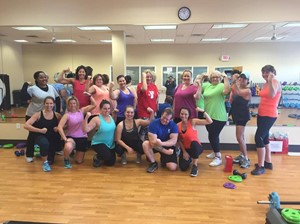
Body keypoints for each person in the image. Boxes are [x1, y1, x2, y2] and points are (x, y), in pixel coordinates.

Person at [251, 65, 281, 175]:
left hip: (270, 115)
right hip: (261, 114)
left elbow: (272, 95)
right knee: (265, 138)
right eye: (263, 72)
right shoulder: (265, 84)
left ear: (273, 72)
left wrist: (270, 80)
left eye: (267, 72)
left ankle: (261, 166)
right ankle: (268, 162)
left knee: (258, 137)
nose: (264, 74)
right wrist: (267, 81)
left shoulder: (275, 82)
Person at [24, 71, 60, 163]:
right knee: (32, 135)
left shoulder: (51, 87)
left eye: (45, 77)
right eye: (41, 77)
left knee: (50, 133)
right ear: (36, 79)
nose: (44, 79)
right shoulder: (32, 88)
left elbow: (57, 98)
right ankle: (29, 155)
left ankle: (48, 152)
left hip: (47, 114)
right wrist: (25, 84)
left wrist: (58, 112)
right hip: (33, 114)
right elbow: (23, 96)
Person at [23, 96, 61, 172]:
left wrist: (58, 128)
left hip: (52, 138)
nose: (49, 105)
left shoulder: (57, 115)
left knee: (51, 161)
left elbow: (64, 125)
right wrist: (40, 130)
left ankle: (45, 156)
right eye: (47, 103)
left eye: (51, 103)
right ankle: (45, 162)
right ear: (44, 104)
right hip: (40, 136)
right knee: (44, 143)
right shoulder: (38, 114)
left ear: (53, 104)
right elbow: (26, 125)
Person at [201, 71, 231, 167]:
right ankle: (215, 152)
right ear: (210, 78)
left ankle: (218, 157)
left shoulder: (222, 85)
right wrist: (201, 77)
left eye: (217, 77)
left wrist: (225, 77)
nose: (215, 79)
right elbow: (196, 88)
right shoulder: (207, 86)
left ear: (220, 78)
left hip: (219, 116)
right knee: (212, 135)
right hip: (208, 115)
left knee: (213, 136)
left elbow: (227, 91)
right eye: (213, 77)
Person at [57, 96, 96, 168]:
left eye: (74, 103)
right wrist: (65, 139)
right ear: (68, 105)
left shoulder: (81, 111)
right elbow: (59, 127)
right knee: (68, 146)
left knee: (79, 161)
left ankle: (74, 152)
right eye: (70, 103)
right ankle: (66, 159)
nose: (72, 105)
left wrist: (90, 96)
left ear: (77, 104)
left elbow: (94, 105)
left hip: (82, 137)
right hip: (71, 137)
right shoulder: (67, 115)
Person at [177, 107, 213, 177]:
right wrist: (184, 152)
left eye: (185, 114)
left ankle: (195, 166)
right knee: (183, 167)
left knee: (193, 143)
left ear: (188, 115)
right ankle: (190, 158)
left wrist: (203, 111)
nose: (183, 116)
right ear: (179, 114)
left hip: (196, 147)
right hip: (186, 149)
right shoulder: (178, 125)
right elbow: (179, 140)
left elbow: (210, 121)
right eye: (182, 114)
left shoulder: (193, 121)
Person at [143, 107, 178, 173]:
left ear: (171, 119)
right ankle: (153, 163)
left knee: (172, 167)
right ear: (161, 114)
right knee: (145, 144)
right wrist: (165, 151)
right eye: (163, 117)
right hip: (155, 144)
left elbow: (173, 141)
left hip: (166, 144)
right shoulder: (153, 123)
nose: (164, 120)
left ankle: (164, 159)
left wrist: (162, 143)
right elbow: (153, 142)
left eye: (167, 119)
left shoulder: (173, 125)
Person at [83, 100, 116, 167]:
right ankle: (97, 157)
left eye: (108, 108)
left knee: (110, 163)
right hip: (98, 143)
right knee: (106, 155)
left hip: (109, 144)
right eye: (105, 108)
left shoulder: (111, 117)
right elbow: (85, 130)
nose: (107, 110)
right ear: (100, 109)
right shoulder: (96, 119)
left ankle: (104, 155)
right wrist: (86, 118)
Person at [230, 72, 252, 168]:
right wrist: (234, 85)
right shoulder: (237, 88)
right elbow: (230, 99)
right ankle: (242, 155)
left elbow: (238, 93)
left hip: (242, 115)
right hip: (236, 115)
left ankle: (246, 158)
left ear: (248, 81)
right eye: (241, 78)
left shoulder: (248, 90)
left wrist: (235, 81)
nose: (242, 80)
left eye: (244, 78)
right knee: (240, 137)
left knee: (239, 137)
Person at [137, 70, 159, 140]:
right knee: (144, 130)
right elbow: (144, 89)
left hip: (152, 113)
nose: (148, 78)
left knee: (151, 131)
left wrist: (156, 109)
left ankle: (148, 147)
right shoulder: (140, 85)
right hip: (144, 112)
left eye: (150, 77)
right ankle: (141, 147)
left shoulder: (154, 86)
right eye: (147, 77)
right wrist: (143, 76)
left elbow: (156, 97)